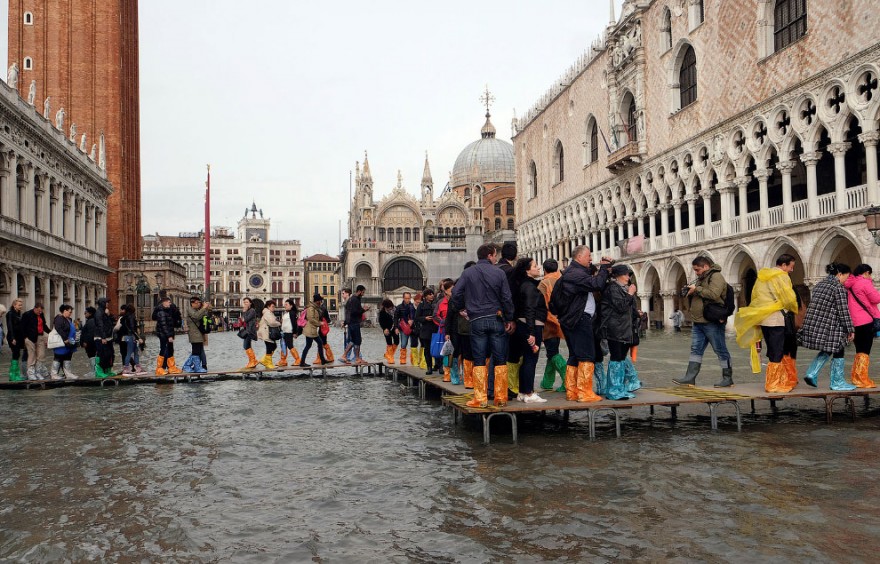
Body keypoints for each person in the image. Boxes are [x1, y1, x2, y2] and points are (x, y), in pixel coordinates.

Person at [450, 244, 515, 408]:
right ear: (489, 255)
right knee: (500, 358)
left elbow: (455, 294)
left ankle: (480, 398)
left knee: (479, 359)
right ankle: (500, 397)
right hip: (496, 318)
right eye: (494, 255)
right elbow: (507, 298)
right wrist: (509, 318)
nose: (495, 258)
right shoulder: (499, 273)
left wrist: (461, 309)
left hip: (476, 320)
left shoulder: (468, 273)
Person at [733, 254, 799, 392]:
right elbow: (789, 298)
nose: (791, 270)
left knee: (772, 348)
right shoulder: (782, 276)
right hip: (776, 319)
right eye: (791, 267)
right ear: (784, 265)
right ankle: (773, 384)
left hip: (764, 318)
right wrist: (793, 308)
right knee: (778, 350)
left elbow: (756, 297)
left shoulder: (762, 277)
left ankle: (776, 381)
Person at [554, 246, 611, 402]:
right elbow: (597, 284)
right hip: (578, 319)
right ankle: (585, 393)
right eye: (588, 256)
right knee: (587, 355)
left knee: (574, 355)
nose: (591, 259)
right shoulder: (575, 273)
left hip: (572, 319)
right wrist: (604, 268)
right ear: (579, 257)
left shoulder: (571, 272)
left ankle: (572, 391)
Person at [673, 256, 734, 388]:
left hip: (712, 321)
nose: (696, 272)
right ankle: (690, 378)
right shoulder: (701, 278)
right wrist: (691, 291)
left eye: (697, 269)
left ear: (706, 267)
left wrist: (697, 289)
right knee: (695, 350)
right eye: (695, 270)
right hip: (698, 322)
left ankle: (727, 378)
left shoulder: (716, 276)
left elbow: (713, 294)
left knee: (720, 349)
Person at [800, 263, 857, 390]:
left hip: (817, 323)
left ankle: (812, 373)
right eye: (846, 277)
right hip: (831, 325)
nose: (845, 281)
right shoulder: (838, 287)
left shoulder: (820, 285)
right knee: (838, 348)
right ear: (840, 274)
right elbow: (843, 311)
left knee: (830, 348)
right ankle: (837, 382)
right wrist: (850, 329)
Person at [598, 265, 641, 400]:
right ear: (617, 276)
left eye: (629, 275)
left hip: (624, 329)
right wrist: (630, 294)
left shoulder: (622, 289)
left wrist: (637, 314)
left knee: (621, 358)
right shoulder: (613, 288)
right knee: (616, 358)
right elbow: (621, 307)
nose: (628, 277)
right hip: (614, 329)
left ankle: (620, 388)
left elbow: (628, 309)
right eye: (626, 274)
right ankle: (613, 390)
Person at [511, 257, 548, 403]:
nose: (538, 267)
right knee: (530, 359)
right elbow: (530, 309)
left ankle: (522, 391)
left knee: (526, 359)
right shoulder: (529, 286)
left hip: (523, 325)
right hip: (531, 326)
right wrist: (531, 332)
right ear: (527, 270)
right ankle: (528, 392)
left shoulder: (523, 285)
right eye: (535, 265)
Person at [845, 264, 880, 388]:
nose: (870, 276)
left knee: (859, 349)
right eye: (869, 274)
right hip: (865, 320)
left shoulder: (850, 284)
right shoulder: (864, 283)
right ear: (865, 273)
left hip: (854, 321)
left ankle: (856, 377)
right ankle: (861, 379)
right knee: (865, 350)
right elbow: (876, 298)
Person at [538, 258, 566, 392]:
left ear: (544, 270)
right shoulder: (564, 280)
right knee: (552, 351)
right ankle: (547, 382)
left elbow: (542, 306)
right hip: (565, 320)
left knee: (552, 351)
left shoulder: (543, 284)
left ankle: (568, 380)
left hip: (549, 322)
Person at [152, 296, 181, 375]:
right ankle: (159, 368)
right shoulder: (161, 312)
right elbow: (163, 325)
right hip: (163, 334)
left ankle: (171, 367)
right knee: (163, 350)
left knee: (170, 349)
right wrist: (169, 336)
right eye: (168, 302)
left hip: (168, 333)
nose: (170, 303)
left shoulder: (168, 311)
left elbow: (171, 323)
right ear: (164, 302)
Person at [341, 285, 370, 365]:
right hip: (354, 323)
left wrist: (346, 322)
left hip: (352, 322)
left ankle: (355, 358)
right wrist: (363, 310)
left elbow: (350, 311)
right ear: (359, 291)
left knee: (355, 341)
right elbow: (354, 312)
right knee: (356, 341)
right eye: (363, 292)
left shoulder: (353, 299)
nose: (363, 294)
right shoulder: (355, 300)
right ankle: (348, 356)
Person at [21, 302, 49, 380]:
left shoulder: (41, 315)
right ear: (35, 308)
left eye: (41, 311)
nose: (40, 312)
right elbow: (22, 327)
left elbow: (44, 325)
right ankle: (31, 373)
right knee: (32, 355)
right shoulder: (27, 314)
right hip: (30, 338)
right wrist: (25, 337)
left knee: (41, 354)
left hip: (40, 336)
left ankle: (38, 371)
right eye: (39, 311)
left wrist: (51, 332)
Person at [183, 296, 212, 373]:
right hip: (194, 333)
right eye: (197, 303)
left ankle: (191, 366)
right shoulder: (190, 309)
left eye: (199, 302)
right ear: (192, 303)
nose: (199, 304)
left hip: (199, 332)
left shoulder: (197, 309)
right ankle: (190, 366)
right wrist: (203, 308)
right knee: (196, 350)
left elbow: (206, 316)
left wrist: (206, 308)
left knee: (198, 350)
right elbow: (196, 316)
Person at [50, 304, 79, 380]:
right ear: (64, 311)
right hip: (62, 342)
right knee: (58, 357)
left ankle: (68, 373)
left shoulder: (68, 319)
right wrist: (65, 339)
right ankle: (54, 374)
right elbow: (59, 329)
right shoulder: (59, 318)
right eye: (69, 312)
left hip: (70, 342)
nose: (70, 313)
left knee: (68, 357)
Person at [299, 294, 328, 367]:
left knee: (317, 343)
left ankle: (322, 360)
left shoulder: (315, 308)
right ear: (317, 301)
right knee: (311, 345)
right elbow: (311, 319)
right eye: (320, 301)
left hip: (312, 330)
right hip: (310, 331)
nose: (321, 302)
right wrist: (319, 323)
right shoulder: (311, 308)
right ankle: (302, 362)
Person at [435, 279, 454, 382]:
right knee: (447, 352)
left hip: (456, 329)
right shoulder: (440, 303)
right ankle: (447, 374)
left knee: (457, 353)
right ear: (446, 291)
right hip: (445, 331)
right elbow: (435, 315)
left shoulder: (457, 301)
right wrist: (443, 322)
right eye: (451, 290)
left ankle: (456, 374)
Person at [415, 288, 438, 375]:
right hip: (425, 330)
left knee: (437, 348)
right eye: (429, 294)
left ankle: (438, 366)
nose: (432, 295)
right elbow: (417, 317)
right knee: (427, 349)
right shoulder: (421, 305)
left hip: (435, 328)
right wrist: (425, 318)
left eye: (432, 294)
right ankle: (429, 367)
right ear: (425, 296)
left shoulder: (436, 304)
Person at [94, 297, 117, 378]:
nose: (108, 304)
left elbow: (113, 321)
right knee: (101, 354)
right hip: (100, 337)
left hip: (108, 337)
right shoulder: (98, 312)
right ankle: (98, 371)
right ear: (103, 303)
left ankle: (108, 370)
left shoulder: (105, 312)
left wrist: (109, 315)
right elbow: (100, 325)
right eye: (106, 302)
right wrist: (103, 337)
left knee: (110, 354)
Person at [120, 304, 146, 375]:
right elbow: (132, 329)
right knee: (132, 353)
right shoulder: (131, 317)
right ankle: (127, 368)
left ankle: (136, 367)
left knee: (134, 352)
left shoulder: (124, 317)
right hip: (131, 336)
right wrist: (138, 337)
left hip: (126, 337)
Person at [5, 299, 26, 381]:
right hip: (13, 337)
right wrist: (13, 338)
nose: (21, 306)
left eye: (21, 305)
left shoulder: (19, 314)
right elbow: (10, 326)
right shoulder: (10, 314)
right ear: (14, 305)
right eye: (19, 305)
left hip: (19, 337)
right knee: (15, 354)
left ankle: (15, 374)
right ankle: (13, 375)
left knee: (17, 355)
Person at [392, 292, 416, 365]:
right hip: (403, 328)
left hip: (412, 327)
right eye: (406, 298)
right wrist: (396, 327)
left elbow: (416, 316)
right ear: (403, 298)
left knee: (414, 344)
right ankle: (403, 359)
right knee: (403, 344)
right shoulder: (399, 307)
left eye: (409, 298)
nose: (407, 300)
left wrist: (413, 321)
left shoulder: (413, 306)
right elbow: (395, 318)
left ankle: (413, 360)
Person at [257, 299, 281, 369]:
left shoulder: (269, 312)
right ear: (268, 306)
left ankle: (265, 360)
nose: (274, 308)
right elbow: (272, 322)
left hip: (267, 332)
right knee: (270, 347)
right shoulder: (267, 313)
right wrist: (279, 323)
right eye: (273, 306)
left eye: (274, 306)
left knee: (273, 346)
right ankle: (269, 363)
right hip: (266, 332)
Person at [278, 298, 302, 367]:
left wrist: (294, 333)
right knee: (283, 346)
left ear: (291, 306)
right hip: (284, 333)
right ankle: (283, 361)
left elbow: (294, 323)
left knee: (290, 346)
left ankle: (298, 360)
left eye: (286, 304)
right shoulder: (286, 313)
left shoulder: (292, 313)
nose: (285, 306)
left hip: (289, 332)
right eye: (284, 304)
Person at [240, 297, 259, 370]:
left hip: (250, 331)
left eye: (247, 302)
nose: (245, 304)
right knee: (247, 346)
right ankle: (252, 361)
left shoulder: (252, 310)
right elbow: (244, 320)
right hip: (247, 330)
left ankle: (253, 361)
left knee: (246, 345)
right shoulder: (249, 310)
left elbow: (246, 319)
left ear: (250, 303)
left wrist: (244, 311)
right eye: (244, 302)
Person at [379, 299, 399, 365]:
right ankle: (390, 357)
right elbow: (381, 321)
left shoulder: (396, 309)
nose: (389, 308)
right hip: (386, 329)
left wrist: (397, 327)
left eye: (390, 306)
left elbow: (398, 318)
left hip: (395, 328)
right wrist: (384, 329)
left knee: (397, 341)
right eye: (387, 307)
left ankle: (388, 354)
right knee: (389, 342)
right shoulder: (382, 312)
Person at [80, 307, 97, 378]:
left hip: (90, 344)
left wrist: (86, 342)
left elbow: (90, 333)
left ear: (90, 313)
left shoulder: (91, 321)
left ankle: (94, 371)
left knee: (92, 356)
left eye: (85, 312)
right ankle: (94, 371)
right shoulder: (91, 321)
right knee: (92, 356)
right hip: (91, 343)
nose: (84, 314)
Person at [339, 289, 355, 363]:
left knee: (352, 340)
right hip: (350, 324)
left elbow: (350, 314)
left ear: (348, 294)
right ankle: (348, 356)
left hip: (352, 324)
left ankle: (350, 356)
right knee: (351, 341)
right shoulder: (348, 302)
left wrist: (345, 322)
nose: (342, 295)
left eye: (343, 293)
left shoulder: (350, 302)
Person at [410, 292, 425, 368]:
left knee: (423, 343)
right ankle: (415, 361)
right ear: (414, 300)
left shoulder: (422, 308)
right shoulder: (410, 308)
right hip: (412, 328)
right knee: (414, 344)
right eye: (417, 302)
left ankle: (421, 360)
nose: (418, 303)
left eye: (420, 302)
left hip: (421, 328)